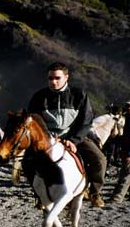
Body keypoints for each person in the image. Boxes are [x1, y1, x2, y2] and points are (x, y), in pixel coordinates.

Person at [26, 62, 107, 208]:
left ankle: (94, 193)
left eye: (57, 78)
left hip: (75, 138)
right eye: (50, 78)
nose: (53, 81)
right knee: (27, 161)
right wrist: (49, 137)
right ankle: (39, 195)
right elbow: (34, 122)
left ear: (66, 77)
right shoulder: (39, 97)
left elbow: (86, 121)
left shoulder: (79, 95)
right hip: (48, 139)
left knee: (100, 159)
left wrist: (73, 140)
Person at [109, 102, 130, 204]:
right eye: (127, 106)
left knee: (125, 176)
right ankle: (117, 197)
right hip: (125, 151)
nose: (128, 108)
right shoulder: (126, 119)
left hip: (127, 152)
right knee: (124, 175)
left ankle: (117, 198)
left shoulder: (127, 120)